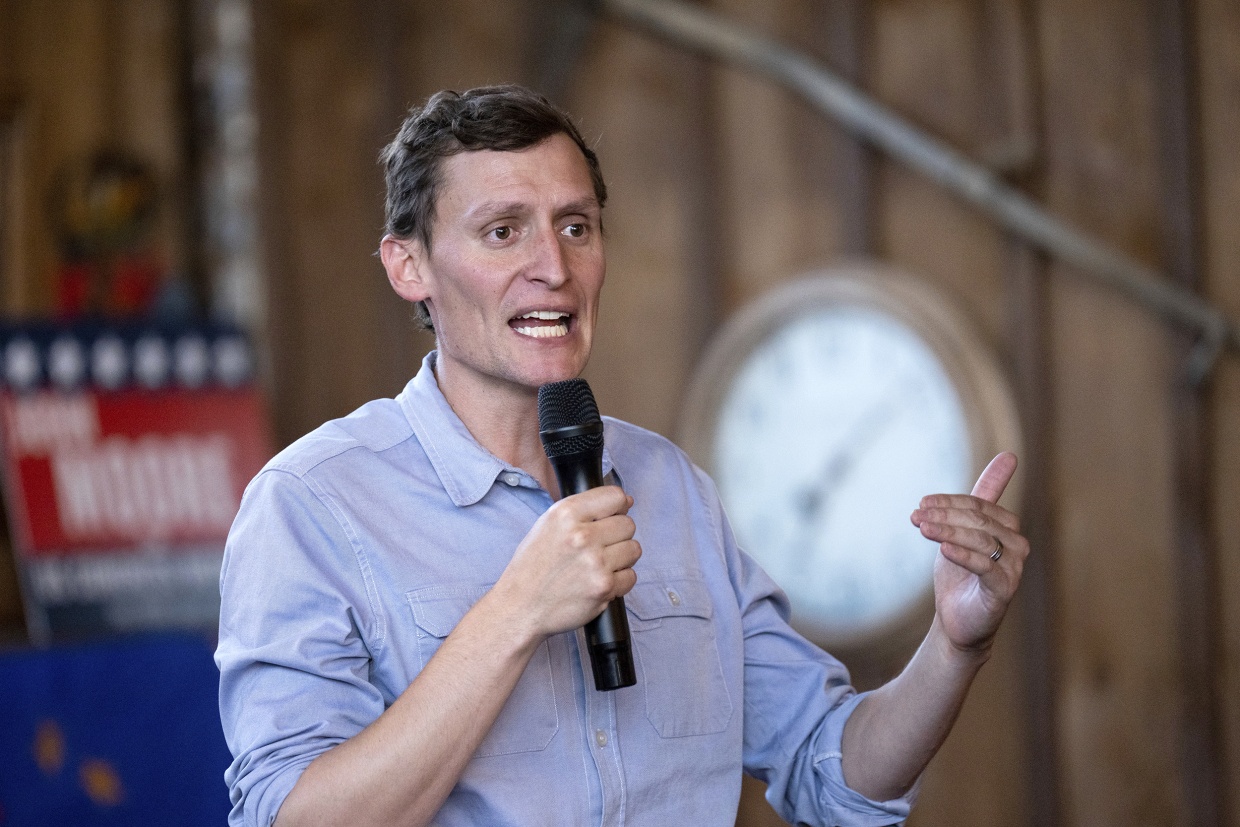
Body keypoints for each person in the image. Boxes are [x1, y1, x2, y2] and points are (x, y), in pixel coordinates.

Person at [215, 84, 1030, 827]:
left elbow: (830, 770)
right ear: (410, 265)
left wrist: (954, 648)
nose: (553, 269)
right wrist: (515, 611)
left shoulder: (672, 487)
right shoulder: (310, 503)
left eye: (576, 227)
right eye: (503, 231)